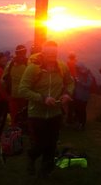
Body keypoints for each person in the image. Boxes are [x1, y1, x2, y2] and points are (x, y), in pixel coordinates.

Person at [18, 41, 74, 177]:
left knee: (52, 143)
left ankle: (46, 172)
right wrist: (42, 98)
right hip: (36, 114)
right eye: (48, 53)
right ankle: (31, 157)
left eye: (54, 53)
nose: (51, 56)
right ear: (43, 53)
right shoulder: (33, 68)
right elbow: (22, 90)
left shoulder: (62, 67)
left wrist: (67, 94)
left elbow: (70, 82)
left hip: (55, 113)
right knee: (41, 143)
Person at [3, 45, 29, 129]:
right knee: (25, 113)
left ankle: (14, 131)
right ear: (25, 52)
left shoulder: (10, 63)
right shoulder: (28, 63)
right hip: (25, 94)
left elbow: (3, 79)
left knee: (14, 115)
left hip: (12, 94)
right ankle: (25, 129)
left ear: (16, 52)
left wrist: (7, 91)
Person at [73, 62, 93, 130]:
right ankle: (78, 123)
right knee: (77, 110)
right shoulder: (77, 74)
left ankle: (82, 124)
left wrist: (80, 82)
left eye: (77, 68)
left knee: (82, 110)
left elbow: (89, 84)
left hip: (84, 96)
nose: (76, 69)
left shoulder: (87, 74)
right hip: (77, 95)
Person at [65, 52, 78, 125]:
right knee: (74, 101)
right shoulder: (76, 64)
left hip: (69, 82)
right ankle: (74, 118)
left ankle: (69, 119)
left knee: (69, 102)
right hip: (75, 82)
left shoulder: (68, 63)